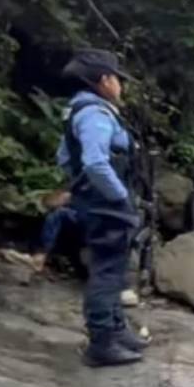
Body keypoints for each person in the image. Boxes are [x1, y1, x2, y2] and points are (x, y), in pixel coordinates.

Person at [55, 49, 148, 366]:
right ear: (104, 80)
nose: (121, 85)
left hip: (94, 202)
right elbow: (95, 162)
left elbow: (65, 159)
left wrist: (80, 190)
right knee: (108, 272)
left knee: (114, 267)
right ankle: (102, 342)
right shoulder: (96, 114)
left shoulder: (77, 111)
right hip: (107, 204)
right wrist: (119, 195)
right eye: (118, 79)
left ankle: (116, 330)